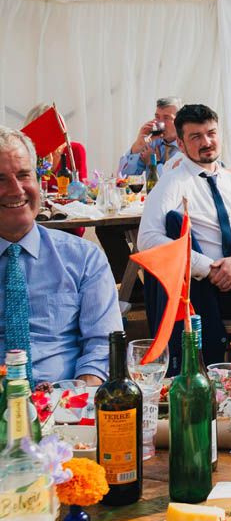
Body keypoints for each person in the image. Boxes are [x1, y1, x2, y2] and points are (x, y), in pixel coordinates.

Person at [138, 104, 231, 366]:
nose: (207, 142)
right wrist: (207, 268)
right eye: (196, 137)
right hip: (204, 287)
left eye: (211, 133)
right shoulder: (173, 182)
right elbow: (148, 239)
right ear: (182, 145)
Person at [0, 127, 120, 385]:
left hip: (66, 407)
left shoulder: (84, 259)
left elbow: (102, 347)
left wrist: (77, 400)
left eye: (24, 175)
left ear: (39, 181)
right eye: (1, 179)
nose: (16, 190)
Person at [117, 96, 181, 177]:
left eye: (166, 118)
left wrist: (154, 163)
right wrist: (137, 146)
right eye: (157, 117)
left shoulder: (186, 148)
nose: (160, 123)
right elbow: (124, 177)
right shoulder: (152, 142)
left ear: (179, 120)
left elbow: (172, 182)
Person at [24, 104, 87, 185]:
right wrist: (44, 169)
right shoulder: (28, 154)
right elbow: (29, 187)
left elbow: (81, 187)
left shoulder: (75, 149)